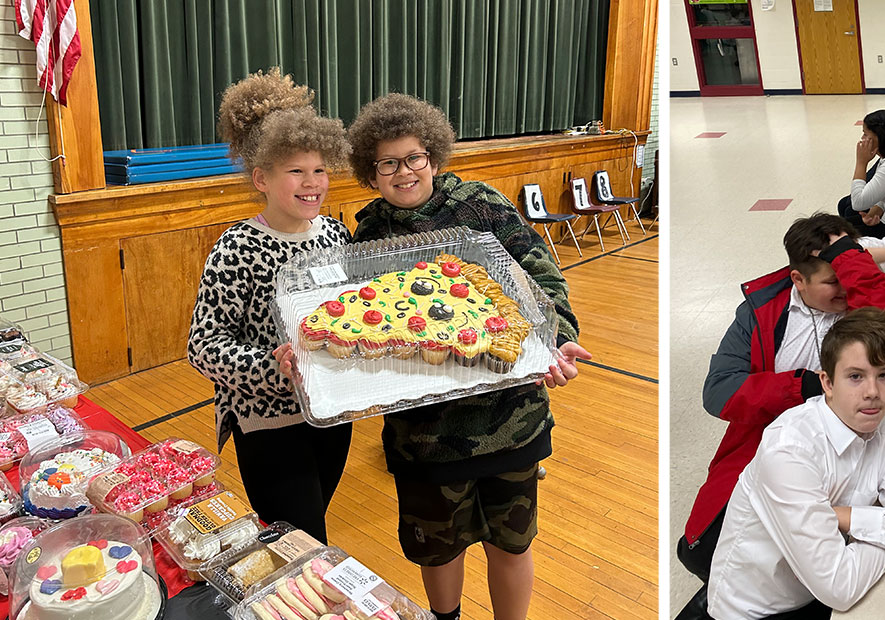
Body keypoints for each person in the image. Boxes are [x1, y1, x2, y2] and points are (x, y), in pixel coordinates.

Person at [344, 93, 592, 620]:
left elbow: (541, 274)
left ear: (433, 154)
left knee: (512, 543)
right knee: (437, 546)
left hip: (511, 418)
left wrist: (557, 337)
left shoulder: (480, 205)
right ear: (371, 171)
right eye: (388, 163)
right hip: (424, 436)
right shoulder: (368, 233)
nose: (404, 172)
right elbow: (368, 329)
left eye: (414, 157)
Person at [677, 213, 885, 613]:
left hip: (847, 453)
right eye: (831, 281)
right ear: (798, 280)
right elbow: (718, 391)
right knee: (703, 550)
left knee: (817, 564)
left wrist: (851, 261)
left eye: (848, 273)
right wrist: (803, 387)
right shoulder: (761, 310)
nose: (844, 289)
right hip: (765, 447)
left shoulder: (861, 297)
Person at [699, 307, 885, 619]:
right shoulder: (789, 449)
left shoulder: (882, 429)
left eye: (884, 375)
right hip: (755, 611)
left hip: (817, 594)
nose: (873, 393)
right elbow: (839, 586)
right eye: (856, 376)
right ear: (827, 383)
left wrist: (845, 517)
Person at [188, 68, 353, 546]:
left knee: (302, 532)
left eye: (320, 169)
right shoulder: (236, 247)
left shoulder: (336, 234)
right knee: (303, 538)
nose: (312, 183)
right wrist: (272, 364)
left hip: (331, 413)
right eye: (295, 171)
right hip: (269, 423)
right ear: (261, 177)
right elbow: (203, 346)